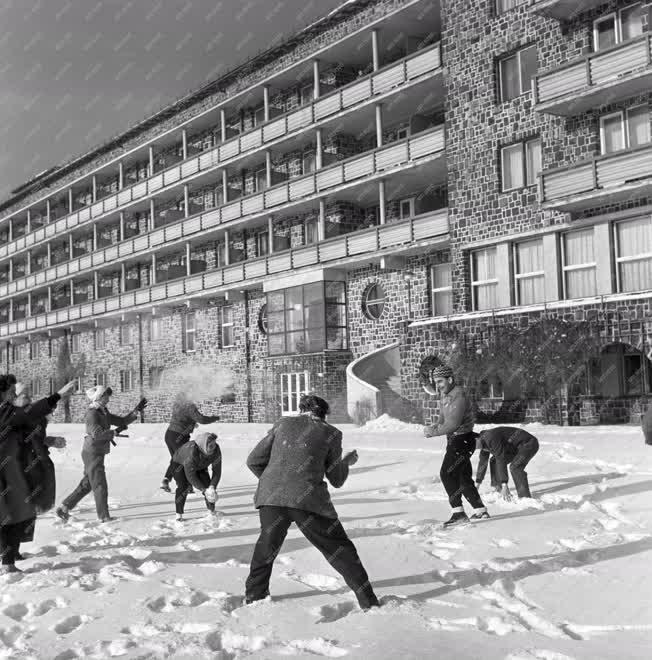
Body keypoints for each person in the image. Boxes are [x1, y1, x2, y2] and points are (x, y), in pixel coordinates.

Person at [244, 393, 379, 611]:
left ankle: (254, 596)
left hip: (271, 498)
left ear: (301, 409)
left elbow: (253, 460)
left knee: (266, 546)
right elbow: (336, 479)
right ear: (323, 414)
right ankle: (369, 602)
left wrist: (276, 482)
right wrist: (346, 462)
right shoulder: (331, 433)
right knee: (338, 548)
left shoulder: (283, 424)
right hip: (308, 500)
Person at [0, 375, 75, 574]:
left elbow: (29, 430)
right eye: (11, 391)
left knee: (16, 512)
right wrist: (58, 395)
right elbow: (28, 413)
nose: (13, 394)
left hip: (14, 470)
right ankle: (8, 562)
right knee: (10, 513)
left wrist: (49, 441)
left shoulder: (8, 411)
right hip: (7, 473)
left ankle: (10, 558)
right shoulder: (5, 412)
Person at [56, 385, 140, 523]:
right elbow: (96, 434)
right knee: (100, 484)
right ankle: (104, 516)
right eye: (106, 395)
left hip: (97, 451)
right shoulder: (93, 413)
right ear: (100, 397)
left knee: (88, 484)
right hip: (92, 452)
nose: (108, 397)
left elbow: (121, 421)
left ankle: (64, 507)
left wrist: (135, 412)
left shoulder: (103, 411)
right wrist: (115, 432)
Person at [423, 364, 489, 527]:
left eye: (440, 381)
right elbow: (443, 418)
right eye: (436, 382)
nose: (438, 385)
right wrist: (434, 426)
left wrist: (433, 432)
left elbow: (452, 424)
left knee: (447, 474)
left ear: (450, 379)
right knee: (462, 477)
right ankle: (480, 510)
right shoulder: (446, 395)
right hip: (456, 440)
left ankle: (458, 512)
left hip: (462, 440)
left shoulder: (458, 396)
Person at [13, 383, 67, 554]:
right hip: (15, 467)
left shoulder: (33, 416)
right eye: (23, 395)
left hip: (33, 466)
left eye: (28, 394)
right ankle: (9, 552)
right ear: (13, 399)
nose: (28, 397)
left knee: (28, 509)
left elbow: (36, 438)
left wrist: (50, 441)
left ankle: (15, 549)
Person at [160, 392, 220, 493]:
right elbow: (202, 419)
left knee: (176, 459)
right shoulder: (189, 405)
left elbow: (182, 418)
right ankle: (186, 486)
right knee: (183, 461)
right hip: (179, 436)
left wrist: (191, 423)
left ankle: (166, 480)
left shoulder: (178, 404)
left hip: (170, 434)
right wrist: (215, 418)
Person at [475, 426, 540, 500]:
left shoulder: (491, 437)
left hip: (528, 443)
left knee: (515, 467)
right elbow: (483, 462)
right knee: (494, 461)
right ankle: (498, 488)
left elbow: (501, 459)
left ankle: (524, 497)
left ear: (477, 438)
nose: (474, 447)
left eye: (474, 444)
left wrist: (504, 484)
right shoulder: (482, 442)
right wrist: (478, 483)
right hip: (514, 448)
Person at [169, 431, 222, 521]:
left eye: (214, 444)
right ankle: (179, 515)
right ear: (203, 445)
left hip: (200, 465)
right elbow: (191, 476)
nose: (213, 448)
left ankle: (211, 511)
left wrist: (212, 487)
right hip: (179, 463)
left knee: (208, 485)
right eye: (211, 446)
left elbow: (217, 471)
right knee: (183, 486)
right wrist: (204, 490)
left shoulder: (216, 449)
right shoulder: (192, 453)